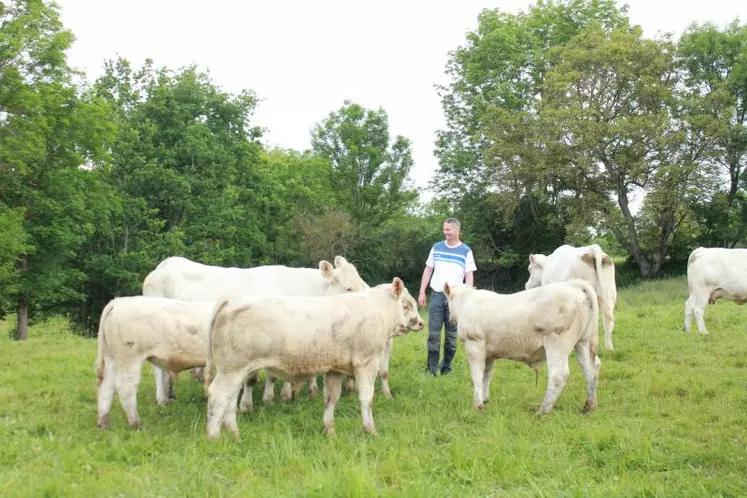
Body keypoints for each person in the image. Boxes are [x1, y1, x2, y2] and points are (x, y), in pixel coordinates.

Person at [418, 217, 476, 376]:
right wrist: (422, 291)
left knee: (451, 337)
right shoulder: (436, 247)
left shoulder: (466, 250)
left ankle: (446, 368)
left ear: (457, 230)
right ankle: (431, 369)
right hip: (437, 295)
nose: (445, 232)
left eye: (448, 230)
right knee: (433, 335)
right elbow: (428, 270)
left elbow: (468, 274)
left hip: (455, 299)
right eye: (444, 229)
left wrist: (468, 295)